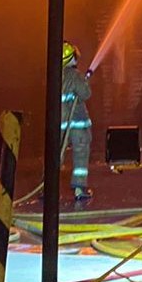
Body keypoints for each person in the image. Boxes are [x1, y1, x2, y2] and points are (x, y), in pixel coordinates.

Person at [61, 42, 94, 205]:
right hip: (77, 124)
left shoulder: (54, 75)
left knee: (55, 156)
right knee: (81, 154)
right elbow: (85, 94)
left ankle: (46, 187)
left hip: (58, 124)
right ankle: (79, 190)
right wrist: (85, 82)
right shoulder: (75, 75)